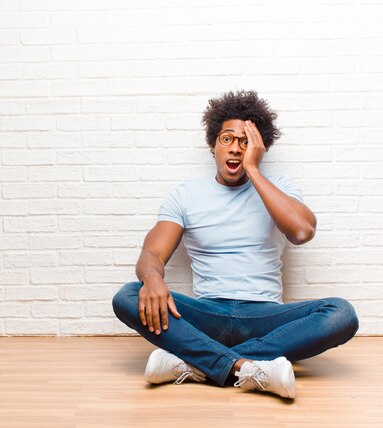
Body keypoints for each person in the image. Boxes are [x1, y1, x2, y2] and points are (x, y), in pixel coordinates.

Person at [112, 90, 359, 399]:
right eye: (228, 139)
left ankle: (197, 361)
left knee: (341, 314)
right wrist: (151, 278)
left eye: (246, 142)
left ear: (259, 148)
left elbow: (302, 231)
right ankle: (246, 367)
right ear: (213, 144)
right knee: (127, 295)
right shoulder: (185, 195)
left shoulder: (278, 188)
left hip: (264, 318)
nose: (235, 149)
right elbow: (151, 253)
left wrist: (253, 170)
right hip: (205, 314)